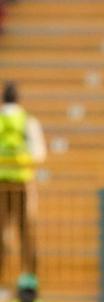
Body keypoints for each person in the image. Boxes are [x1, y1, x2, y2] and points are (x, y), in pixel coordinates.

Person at [0, 82, 46, 279]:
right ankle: (29, 279)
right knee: (27, 233)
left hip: (1, 184)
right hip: (23, 183)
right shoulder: (27, 121)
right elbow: (39, 154)